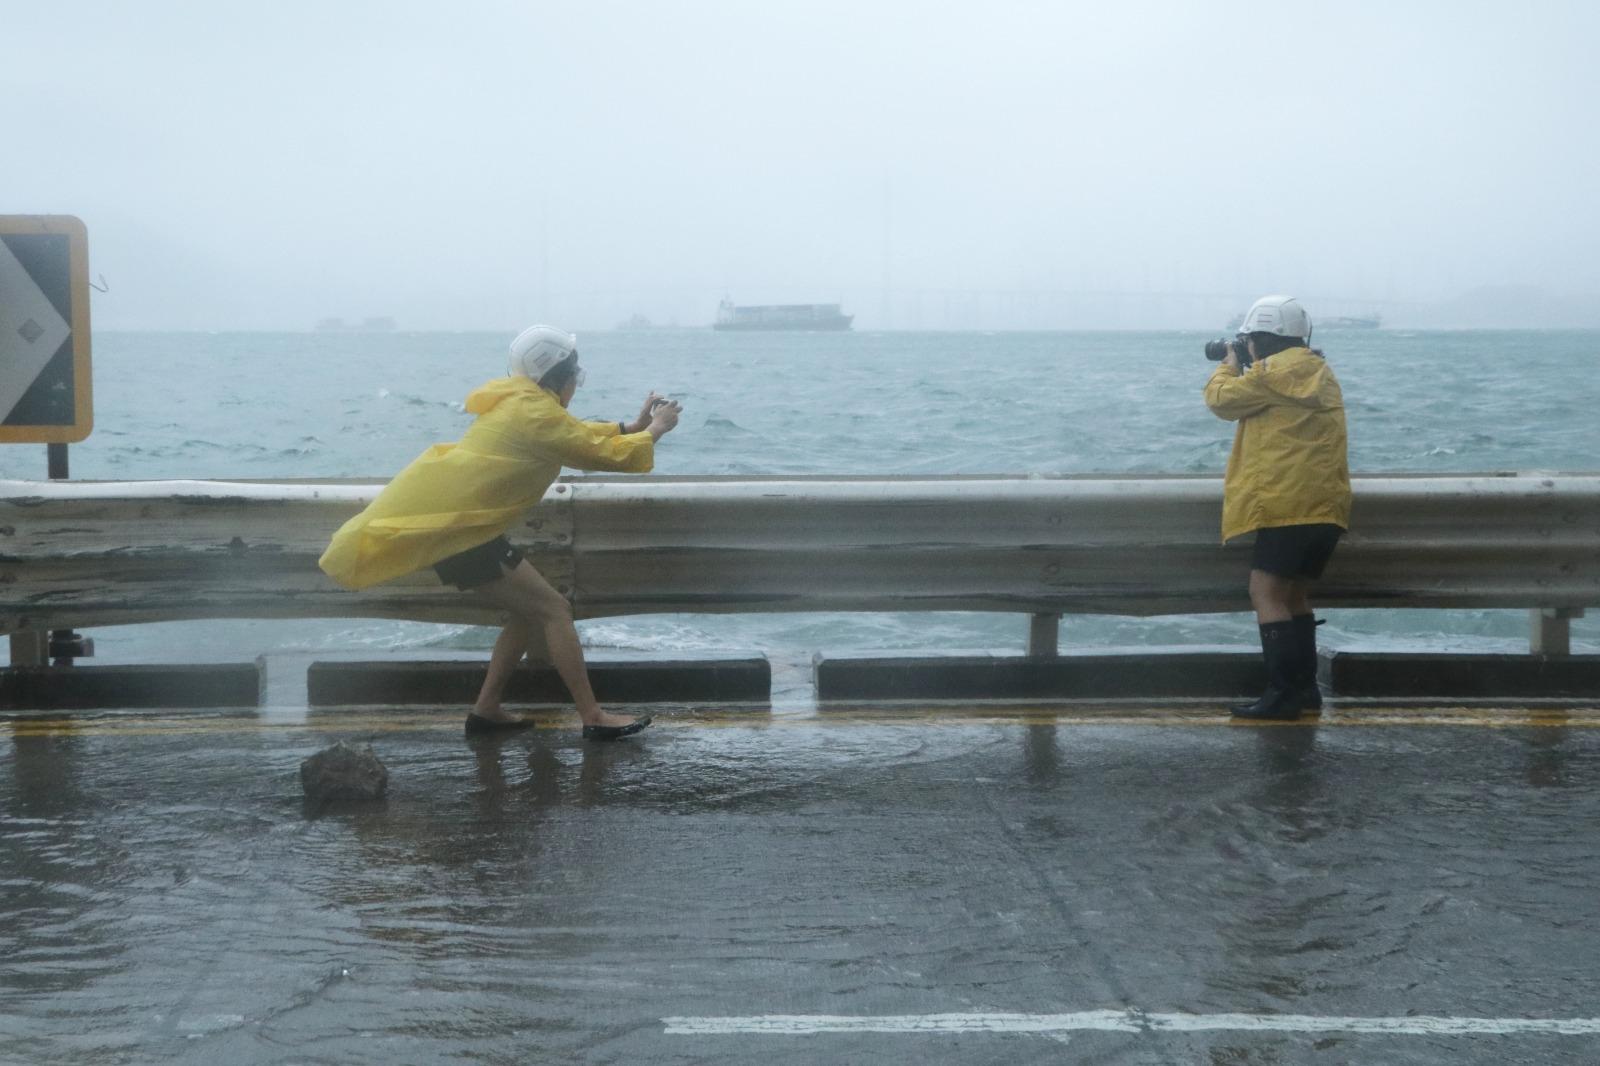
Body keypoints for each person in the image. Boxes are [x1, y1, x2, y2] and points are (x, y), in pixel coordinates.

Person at [318, 325, 682, 738]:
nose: (576, 385)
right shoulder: (535, 413)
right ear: (559, 377)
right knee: (554, 611)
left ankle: (486, 709)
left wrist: (632, 427)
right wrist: (655, 429)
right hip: (462, 533)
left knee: (529, 615)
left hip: (460, 525)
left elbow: (573, 433)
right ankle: (593, 717)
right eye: (575, 377)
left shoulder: (521, 400)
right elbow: (597, 452)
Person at [1204, 295, 1351, 720]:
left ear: (1261, 340)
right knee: (1294, 595)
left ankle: (1282, 694)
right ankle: (1305, 691)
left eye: (1249, 340)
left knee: (1265, 593)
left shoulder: (1269, 375)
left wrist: (1228, 363)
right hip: (1325, 505)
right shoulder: (1319, 372)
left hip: (1286, 504)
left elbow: (1219, 400)